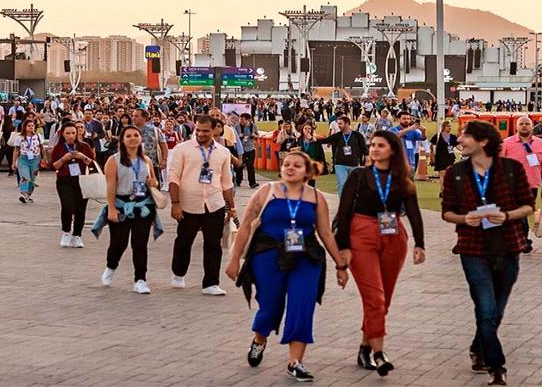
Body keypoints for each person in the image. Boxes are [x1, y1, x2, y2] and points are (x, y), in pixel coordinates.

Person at [225, 152, 349, 382]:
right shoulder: (267, 191)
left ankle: (295, 362)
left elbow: (324, 233)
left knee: (302, 305)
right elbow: (245, 227)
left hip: (306, 257)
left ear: (307, 171)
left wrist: (340, 265)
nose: (290, 168)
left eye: (297, 165)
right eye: (287, 164)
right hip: (268, 255)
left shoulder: (316, 197)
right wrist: (234, 260)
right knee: (270, 306)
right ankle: (260, 338)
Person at [441, 120, 535, 386]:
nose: (460, 140)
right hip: (472, 247)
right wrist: (463, 219)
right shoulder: (456, 173)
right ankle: (497, 366)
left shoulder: (511, 170)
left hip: (508, 245)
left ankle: (478, 347)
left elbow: (528, 205)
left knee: (496, 310)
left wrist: (505, 215)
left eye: (465, 136)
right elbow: (447, 211)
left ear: (483, 142)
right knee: (486, 307)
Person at [332, 130, 425, 377]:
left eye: (380, 145)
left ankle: (365, 345)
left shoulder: (402, 178)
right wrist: (343, 248)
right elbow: (343, 213)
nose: (374, 149)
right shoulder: (359, 176)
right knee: (375, 297)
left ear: (393, 150)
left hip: (394, 235)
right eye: (372, 145)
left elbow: (414, 212)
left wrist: (420, 244)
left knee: (385, 297)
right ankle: (379, 353)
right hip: (361, 234)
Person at [168, 115, 236, 295]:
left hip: (214, 203)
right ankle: (178, 273)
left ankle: (211, 283)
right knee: (184, 241)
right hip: (188, 203)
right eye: (198, 130)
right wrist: (175, 204)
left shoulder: (223, 152)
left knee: (213, 244)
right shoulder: (182, 149)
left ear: (215, 130)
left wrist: (232, 207)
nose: (200, 133)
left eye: (205, 131)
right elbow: (173, 178)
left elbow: (227, 182)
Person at [99, 126, 160, 294]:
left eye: (136, 135)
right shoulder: (114, 160)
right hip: (121, 203)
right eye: (129, 136)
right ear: (123, 140)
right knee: (119, 242)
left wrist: (152, 183)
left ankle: (140, 279)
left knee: (140, 243)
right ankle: (111, 266)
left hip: (142, 205)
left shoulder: (145, 160)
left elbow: (153, 180)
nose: (133, 138)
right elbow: (111, 186)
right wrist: (111, 208)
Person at [500, 116, 542, 253]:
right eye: (521, 124)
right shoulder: (507, 143)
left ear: (532, 126)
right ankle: (523, 240)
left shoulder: (540, 144)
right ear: (516, 127)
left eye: (527, 124)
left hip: (531, 184)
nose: (524, 126)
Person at [51, 122, 95, 248]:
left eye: (73, 133)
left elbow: (93, 163)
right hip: (64, 180)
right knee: (67, 206)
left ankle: (77, 235)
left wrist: (82, 157)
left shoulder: (84, 146)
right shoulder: (59, 148)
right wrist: (65, 158)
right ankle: (66, 232)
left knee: (80, 209)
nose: (71, 136)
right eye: (68, 133)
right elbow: (54, 166)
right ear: (63, 134)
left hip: (82, 180)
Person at [329, 115, 368, 198]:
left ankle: (353, 202)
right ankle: (343, 202)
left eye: (340, 123)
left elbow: (364, 149)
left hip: (354, 164)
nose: (338, 125)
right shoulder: (338, 135)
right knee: (342, 184)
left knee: (354, 185)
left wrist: (368, 160)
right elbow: (325, 140)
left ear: (347, 124)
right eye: (338, 123)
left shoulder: (357, 135)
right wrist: (313, 138)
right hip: (340, 164)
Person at [12, 120, 47, 204]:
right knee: (25, 176)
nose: (31, 127)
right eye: (29, 126)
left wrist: (44, 157)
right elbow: (16, 150)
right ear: (25, 127)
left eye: (32, 125)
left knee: (32, 178)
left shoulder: (38, 136)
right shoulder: (20, 137)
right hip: (23, 158)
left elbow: (42, 147)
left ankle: (28, 195)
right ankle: (24, 193)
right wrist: (13, 162)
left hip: (35, 158)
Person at [133, 109, 168, 187]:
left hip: (153, 166)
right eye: (133, 116)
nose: (133, 118)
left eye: (136, 116)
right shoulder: (130, 131)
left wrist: (164, 160)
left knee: (155, 190)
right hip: (135, 167)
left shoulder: (155, 130)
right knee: (139, 193)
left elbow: (163, 145)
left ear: (145, 117)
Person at [234, 113, 260, 189]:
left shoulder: (253, 126)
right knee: (239, 166)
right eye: (240, 119)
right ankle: (238, 181)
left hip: (250, 149)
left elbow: (257, 135)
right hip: (240, 149)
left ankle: (252, 183)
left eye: (242, 119)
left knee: (250, 166)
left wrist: (254, 136)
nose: (241, 121)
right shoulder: (237, 127)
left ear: (248, 120)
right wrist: (239, 136)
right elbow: (234, 137)